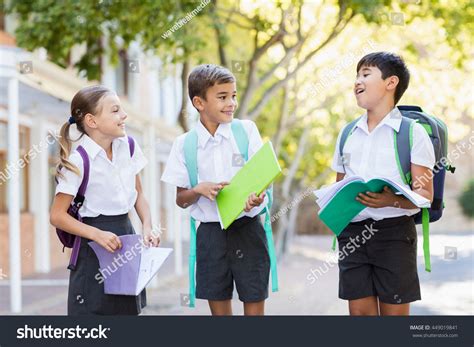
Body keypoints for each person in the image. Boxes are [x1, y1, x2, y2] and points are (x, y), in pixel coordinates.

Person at [161, 64, 272, 315]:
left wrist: (256, 198)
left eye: (233, 95)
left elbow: (261, 182)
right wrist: (199, 189)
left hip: (248, 230)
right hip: (211, 236)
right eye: (222, 97)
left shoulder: (246, 131)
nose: (231, 102)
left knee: (255, 309)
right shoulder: (184, 145)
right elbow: (181, 199)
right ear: (199, 102)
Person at [331, 52, 435, 316]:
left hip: (394, 235)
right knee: (361, 319)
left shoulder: (413, 133)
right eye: (356, 75)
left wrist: (392, 200)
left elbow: (425, 193)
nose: (357, 81)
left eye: (365, 74)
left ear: (391, 83)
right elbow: (338, 187)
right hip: (352, 234)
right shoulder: (347, 133)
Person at [50, 85, 160, 315]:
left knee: (126, 312)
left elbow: (138, 193)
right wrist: (96, 235)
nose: (124, 116)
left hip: (126, 236)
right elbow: (57, 216)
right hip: (93, 244)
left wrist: (147, 226)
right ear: (92, 121)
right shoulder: (79, 161)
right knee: (94, 314)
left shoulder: (128, 147)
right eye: (115, 110)